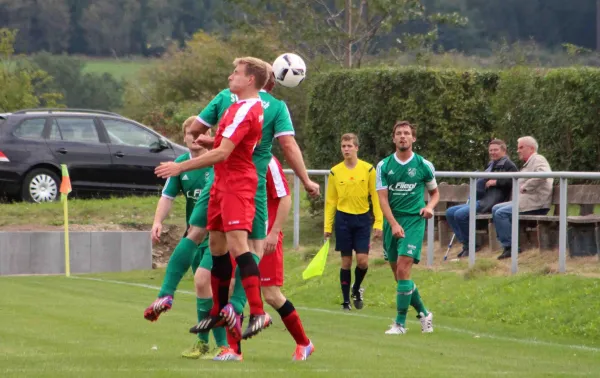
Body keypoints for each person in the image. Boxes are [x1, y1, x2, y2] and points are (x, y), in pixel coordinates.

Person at [155, 56, 271, 339]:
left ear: (250, 80)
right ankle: (221, 311)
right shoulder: (235, 105)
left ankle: (257, 311)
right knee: (216, 245)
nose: (231, 76)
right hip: (221, 183)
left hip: (237, 183)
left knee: (238, 245)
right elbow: (225, 144)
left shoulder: (248, 109)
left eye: (236, 72)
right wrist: (212, 141)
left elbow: (223, 154)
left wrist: (180, 166)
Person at [215, 156, 315, 361]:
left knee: (271, 295)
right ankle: (234, 350)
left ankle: (304, 343)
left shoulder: (267, 160)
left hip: (265, 240)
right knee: (233, 286)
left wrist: (274, 232)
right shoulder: (233, 157)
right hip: (242, 236)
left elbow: (285, 198)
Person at [144, 117, 228, 359]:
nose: (194, 137)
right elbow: (167, 196)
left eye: (200, 132)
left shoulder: (219, 160)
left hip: (218, 236)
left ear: (210, 134)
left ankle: (223, 345)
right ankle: (203, 343)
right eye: (190, 133)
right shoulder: (181, 164)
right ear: (184, 137)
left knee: (207, 283)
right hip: (195, 235)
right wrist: (157, 221)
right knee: (202, 288)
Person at [375, 121, 439, 335]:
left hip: (413, 220)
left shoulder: (423, 165)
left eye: (407, 133)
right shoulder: (384, 166)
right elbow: (382, 199)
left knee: (404, 268)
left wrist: (429, 207)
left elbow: (435, 193)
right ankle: (424, 313)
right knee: (400, 276)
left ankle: (400, 324)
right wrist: (393, 223)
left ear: (413, 138)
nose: (403, 136)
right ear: (393, 138)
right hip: (391, 221)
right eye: (399, 133)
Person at [324, 133, 382, 311]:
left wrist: (378, 222)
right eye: (344, 146)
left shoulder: (368, 170)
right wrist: (327, 227)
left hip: (362, 219)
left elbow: (376, 197)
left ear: (357, 147)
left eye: (349, 146)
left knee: (363, 261)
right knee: (346, 262)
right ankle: (345, 302)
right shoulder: (335, 171)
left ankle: (356, 288)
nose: (346, 149)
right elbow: (331, 201)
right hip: (343, 219)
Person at [446, 139, 518, 258]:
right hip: (482, 199)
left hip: (493, 202)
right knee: (450, 212)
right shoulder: (490, 165)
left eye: (496, 150)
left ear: (504, 151)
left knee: (460, 214)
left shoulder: (509, 165)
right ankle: (466, 243)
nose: (492, 152)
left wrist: (496, 182)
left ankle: (472, 245)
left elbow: (514, 180)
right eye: (490, 150)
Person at [492, 136, 553, 260]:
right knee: (495, 208)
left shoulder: (538, 159)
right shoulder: (529, 162)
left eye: (521, 147)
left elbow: (544, 174)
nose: (518, 150)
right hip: (526, 202)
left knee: (501, 213)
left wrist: (526, 187)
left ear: (531, 148)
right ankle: (507, 245)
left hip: (536, 203)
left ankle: (511, 247)